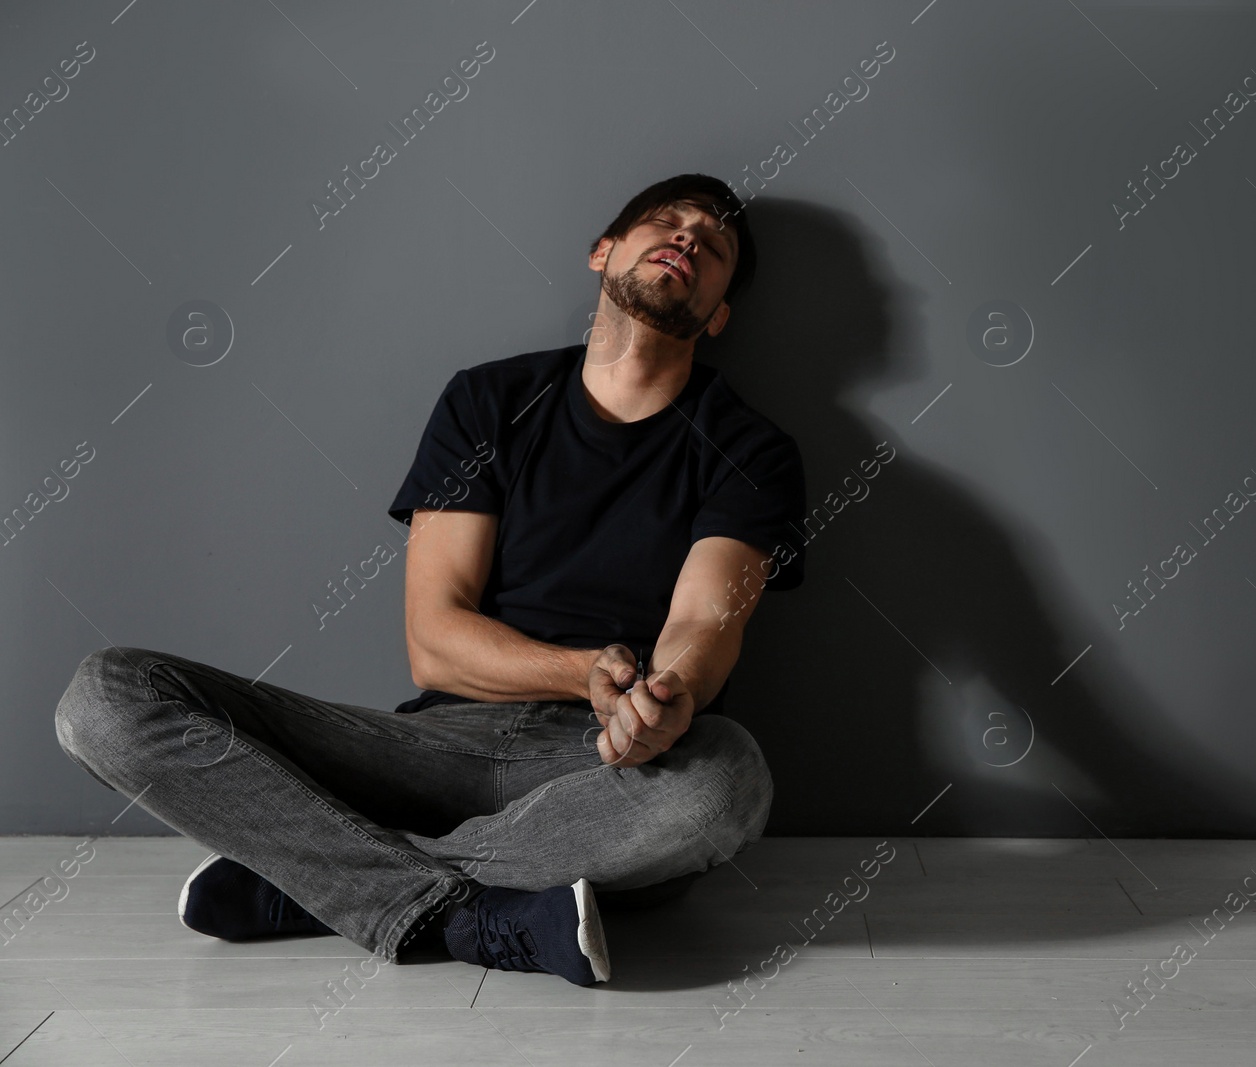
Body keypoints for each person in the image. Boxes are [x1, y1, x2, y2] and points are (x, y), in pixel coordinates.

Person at [53, 173, 807, 986]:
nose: (689, 237)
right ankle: (472, 914)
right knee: (104, 697)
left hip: (608, 772)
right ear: (602, 251)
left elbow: (705, 623)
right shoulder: (488, 400)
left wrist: (669, 703)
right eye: (667, 220)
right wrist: (581, 668)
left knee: (727, 779)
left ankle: (321, 886)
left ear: (720, 312)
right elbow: (435, 643)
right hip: (430, 750)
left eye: (716, 242)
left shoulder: (752, 448)